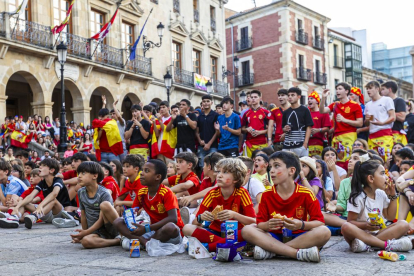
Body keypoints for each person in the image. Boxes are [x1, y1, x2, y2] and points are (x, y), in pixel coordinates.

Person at [241, 151, 330, 262]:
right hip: (274, 236)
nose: (271, 170)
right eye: (271, 167)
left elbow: (319, 222)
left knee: (324, 231)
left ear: (291, 171)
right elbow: (260, 224)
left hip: (300, 237)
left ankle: (272, 251)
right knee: (247, 230)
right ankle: (296, 253)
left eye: (277, 166)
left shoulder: (307, 193)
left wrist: (301, 224)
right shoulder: (267, 195)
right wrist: (268, 225)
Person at [183, 158, 256, 252]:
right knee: (187, 228)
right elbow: (195, 223)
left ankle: (208, 247)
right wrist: (202, 217)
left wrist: (234, 215)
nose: (219, 175)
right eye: (218, 172)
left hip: (238, 233)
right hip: (215, 233)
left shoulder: (242, 193)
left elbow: (254, 221)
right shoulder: (212, 194)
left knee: (252, 229)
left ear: (236, 179)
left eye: (225, 172)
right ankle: (229, 245)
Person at [341, 160, 412, 253]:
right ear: (371, 178)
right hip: (360, 234)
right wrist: (366, 225)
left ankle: (367, 245)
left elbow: (390, 216)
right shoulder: (358, 197)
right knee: (346, 226)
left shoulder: (381, 193)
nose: (386, 177)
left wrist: (393, 196)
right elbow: (350, 222)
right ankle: (386, 245)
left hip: (378, 233)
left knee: (404, 224)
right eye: (382, 174)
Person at [114, 159, 184, 250]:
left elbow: (173, 218)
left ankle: (144, 243)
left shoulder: (166, 193)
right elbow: (134, 212)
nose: (141, 173)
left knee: (170, 227)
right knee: (118, 221)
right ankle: (145, 243)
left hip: (169, 234)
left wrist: (146, 229)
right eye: (142, 170)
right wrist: (129, 219)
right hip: (153, 230)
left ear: (158, 177)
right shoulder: (142, 193)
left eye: (146, 171)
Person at [70, 161, 120, 249]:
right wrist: (84, 233)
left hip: (108, 227)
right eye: (79, 173)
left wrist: (86, 232)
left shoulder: (104, 193)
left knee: (105, 205)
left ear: (95, 176)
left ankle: (120, 235)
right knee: (86, 241)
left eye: (83, 173)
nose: (79, 176)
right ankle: (117, 241)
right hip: (95, 232)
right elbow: (83, 215)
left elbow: (101, 219)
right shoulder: (81, 192)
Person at [12, 159, 74, 229]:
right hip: (46, 212)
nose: (40, 167)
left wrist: (40, 205)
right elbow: (31, 196)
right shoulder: (42, 183)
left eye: (43, 166)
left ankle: (34, 217)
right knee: (24, 202)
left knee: (53, 200)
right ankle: (15, 217)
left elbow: (54, 194)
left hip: (60, 213)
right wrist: (17, 207)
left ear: (51, 170)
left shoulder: (58, 180)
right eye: (40, 165)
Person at [319, 83, 363, 169]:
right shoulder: (335, 104)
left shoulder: (355, 105)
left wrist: (344, 120)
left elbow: (360, 123)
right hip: (337, 137)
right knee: (337, 160)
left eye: (339, 89)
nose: (337, 91)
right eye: (336, 89)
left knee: (348, 160)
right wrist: (323, 98)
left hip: (349, 136)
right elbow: (322, 110)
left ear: (346, 91)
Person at [364, 81, 395, 161]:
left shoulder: (387, 100)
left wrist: (382, 123)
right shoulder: (368, 105)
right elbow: (367, 124)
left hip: (384, 134)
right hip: (371, 136)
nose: (368, 91)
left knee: (385, 160)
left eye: (370, 88)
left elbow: (393, 117)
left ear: (377, 89)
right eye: (367, 89)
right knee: (372, 161)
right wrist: (367, 120)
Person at [281, 87, 313, 157]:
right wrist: (285, 129)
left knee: (301, 166)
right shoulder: (286, 112)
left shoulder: (305, 110)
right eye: (288, 95)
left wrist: (305, 144)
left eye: (292, 95)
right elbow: (283, 127)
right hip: (287, 145)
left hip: (300, 145)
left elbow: (309, 127)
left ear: (299, 97)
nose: (290, 97)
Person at [241, 90, 271, 158]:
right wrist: (247, 129)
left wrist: (260, 132)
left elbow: (271, 128)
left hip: (262, 144)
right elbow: (242, 129)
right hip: (249, 144)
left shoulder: (266, 112)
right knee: (248, 165)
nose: (253, 99)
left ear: (260, 98)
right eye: (251, 97)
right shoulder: (246, 113)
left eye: (255, 97)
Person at [196, 95, 219, 168]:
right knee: (202, 167)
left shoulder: (216, 115)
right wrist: (200, 140)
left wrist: (209, 144)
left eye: (208, 101)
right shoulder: (199, 117)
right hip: (201, 147)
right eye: (204, 101)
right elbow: (196, 131)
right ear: (202, 103)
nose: (206, 103)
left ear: (211, 103)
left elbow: (217, 132)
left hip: (213, 146)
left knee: (213, 167)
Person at [307, 91, 331, 157]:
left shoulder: (323, 113)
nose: (309, 100)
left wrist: (318, 130)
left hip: (318, 143)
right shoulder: (306, 112)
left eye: (311, 99)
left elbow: (327, 128)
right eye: (308, 99)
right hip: (306, 143)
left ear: (317, 101)